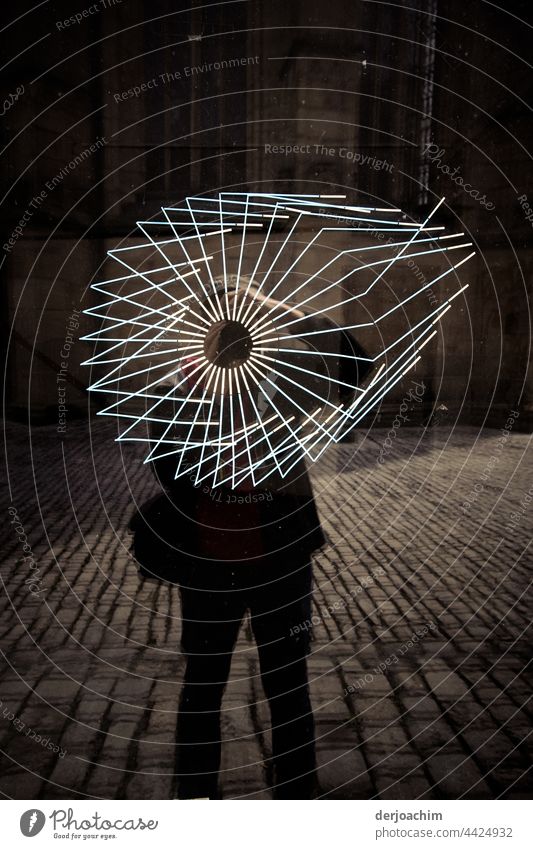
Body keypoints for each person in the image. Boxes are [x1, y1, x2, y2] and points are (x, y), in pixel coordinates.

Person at [146, 284, 372, 799]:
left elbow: (355, 356)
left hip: (247, 555)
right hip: (240, 555)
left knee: (226, 684)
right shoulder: (283, 384)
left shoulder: (280, 381)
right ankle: (277, 798)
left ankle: (206, 799)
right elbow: (356, 358)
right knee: (268, 685)